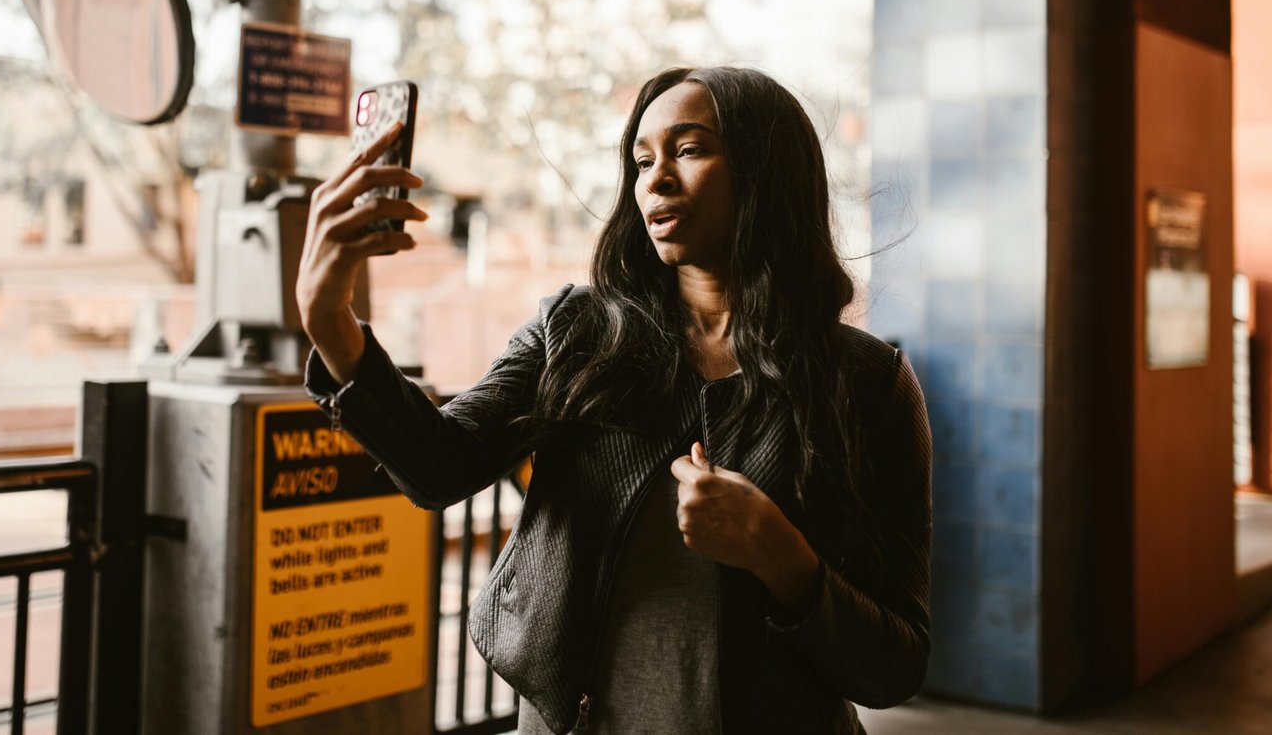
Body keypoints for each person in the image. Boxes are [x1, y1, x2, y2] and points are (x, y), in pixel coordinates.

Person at [297, 66, 932, 733]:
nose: (655, 178)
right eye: (641, 158)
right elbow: (436, 465)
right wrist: (329, 319)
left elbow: (896, 662)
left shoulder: (867, 383)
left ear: (766, 169)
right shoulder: (575, 333)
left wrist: (781, 554)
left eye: (688, 149)